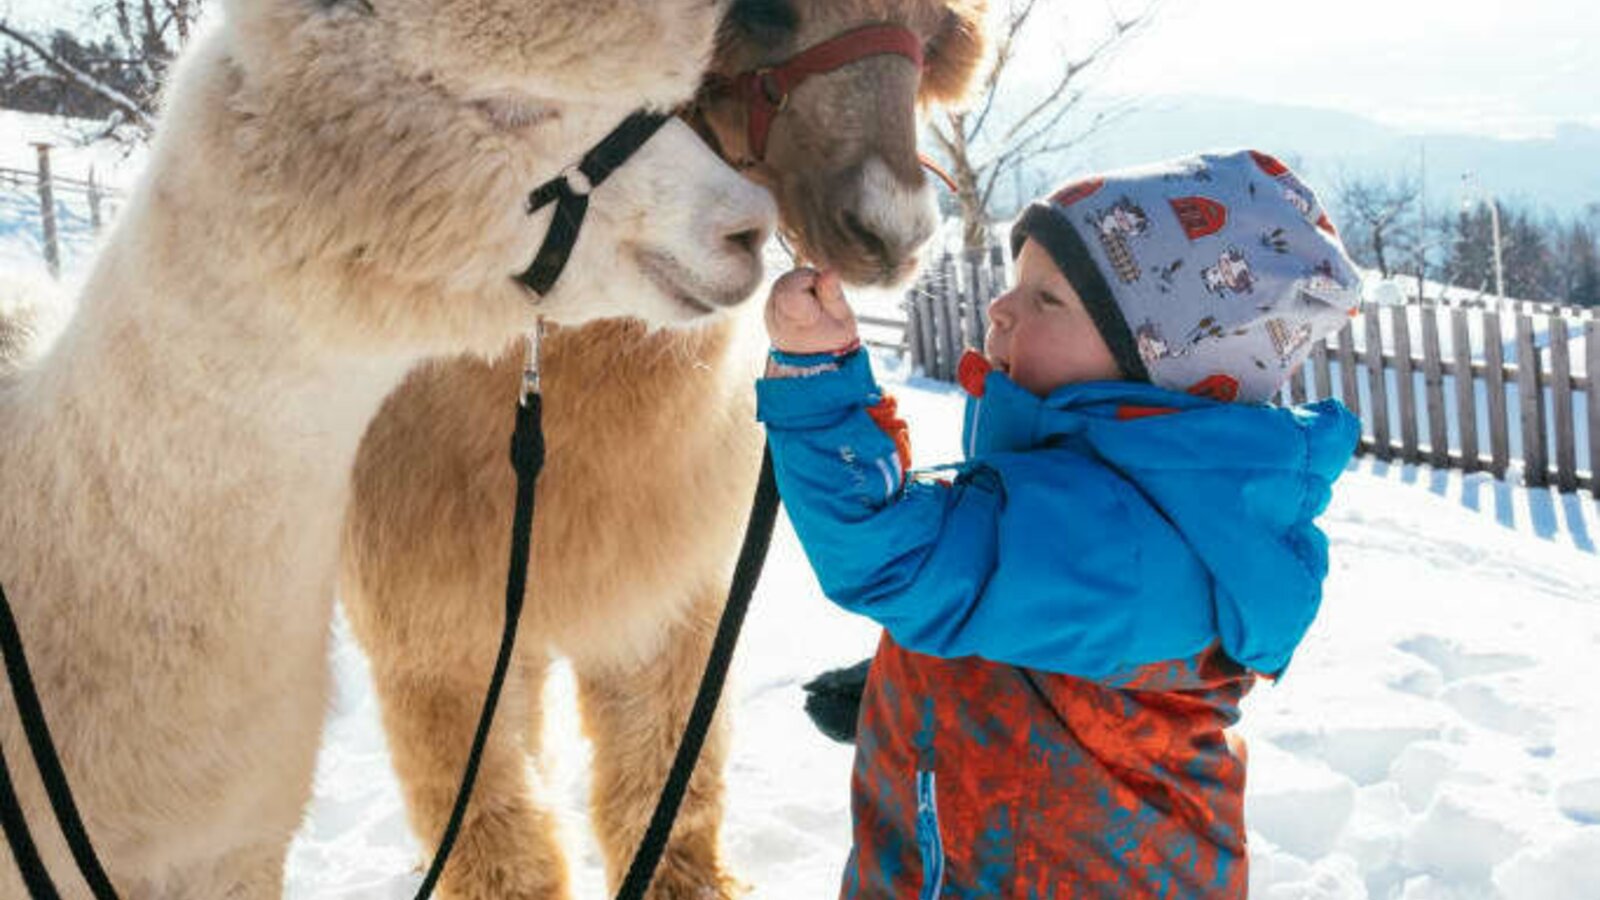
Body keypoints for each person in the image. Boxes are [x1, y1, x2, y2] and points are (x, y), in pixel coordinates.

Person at [754, 149, 1363, 898]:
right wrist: (931, 690)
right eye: (1016, 285)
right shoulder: (1121, 502)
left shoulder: (1128, 540)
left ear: (1158, 366)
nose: (1002, 310)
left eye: (1048, 300)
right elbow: (1024, 602)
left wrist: (818, 378)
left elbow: (889, 552)